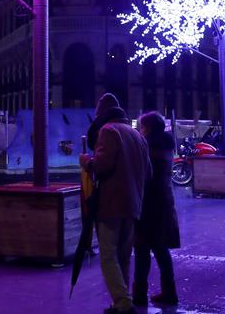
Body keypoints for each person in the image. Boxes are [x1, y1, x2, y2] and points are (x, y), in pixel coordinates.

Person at [79, 94, 151, 314]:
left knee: (108, 255)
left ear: (101, 113)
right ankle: (120, 302)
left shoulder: (108, 131)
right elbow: (149, 171)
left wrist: (86, 161)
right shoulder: (137, 135)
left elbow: (101, 165)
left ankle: (123, 303)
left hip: (111, 203)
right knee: (123, 255)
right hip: (133, 204)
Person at [132, 112, 180, 307]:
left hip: (147, 203)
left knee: (142, 250)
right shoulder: (168, 145)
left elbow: (142, 175)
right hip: (164, 201)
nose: (140, 130)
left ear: (148, 127)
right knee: (161, 249)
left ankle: (139, 295)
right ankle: (170, 292)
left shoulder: (145, 146)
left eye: (142, 126)